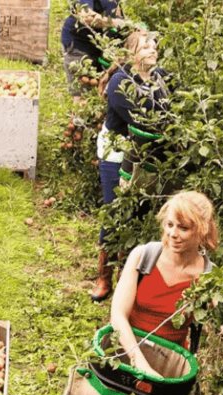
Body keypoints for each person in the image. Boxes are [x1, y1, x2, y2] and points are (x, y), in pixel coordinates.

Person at [110, 191, 223, 382]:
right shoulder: (144, 256)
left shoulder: (209, 278)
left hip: (167, 363)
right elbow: (118, 316)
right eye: (170, 224)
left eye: (183, 228)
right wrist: (138, 362)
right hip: (126, 349)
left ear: (202, 230)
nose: (173, 234)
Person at [91, 29, 171, 301]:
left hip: (147, 154)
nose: (152, 50)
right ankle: (103, 275)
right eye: (145, 46)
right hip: (118, 152)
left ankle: (128, 275)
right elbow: (144, 121)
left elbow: (171, 112)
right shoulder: (120, 82)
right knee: (115, 211)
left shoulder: (161, 79)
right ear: (132, 53)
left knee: (139, 212)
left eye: (154, 46)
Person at [61, 0, 126, 101]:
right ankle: (79, 113)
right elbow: (86, 15)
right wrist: (114, 23)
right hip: (79, 44)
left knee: (99, 87)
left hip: (99, 46)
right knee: (81, 92)